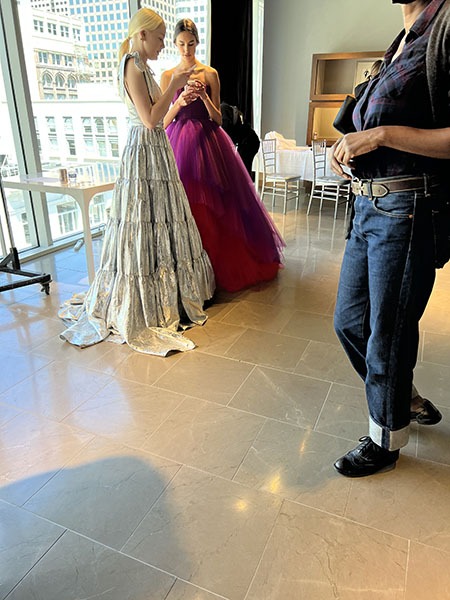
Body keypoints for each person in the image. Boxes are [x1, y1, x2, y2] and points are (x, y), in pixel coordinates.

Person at [330, 0, 449, 477]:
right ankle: (403, 396)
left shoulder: (444, 27)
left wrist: (380, 136)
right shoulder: (401, 41)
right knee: (350, 322)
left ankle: (386, 440)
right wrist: (348, 147)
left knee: (389, 334)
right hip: (367, 205)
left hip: (409, 207)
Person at [59, 8, 215, 356]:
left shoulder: (143, 67)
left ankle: (171, 293)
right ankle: (143, 300)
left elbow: (157, 117)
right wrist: (174, 85)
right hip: (144, 150)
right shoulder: (132, 64)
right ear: (143, 35)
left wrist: (176, 93)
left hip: (155, 148)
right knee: (143, 219)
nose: (164, 45)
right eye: (160, 38)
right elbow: (148, 119)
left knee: (162, 217)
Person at [160, 19, 284, 293]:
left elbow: (217, 119)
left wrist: (203, 97)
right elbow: (163, 120)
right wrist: (180, 102)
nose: (186, 49)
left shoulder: (210, 73)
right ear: (174, 44)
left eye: (190, 44)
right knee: (185, 205)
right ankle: (186, 272)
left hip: (208, 142)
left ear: (197, 43)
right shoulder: (168, 75)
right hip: (178, 142)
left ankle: (214, 269)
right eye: (181, 44)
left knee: (216, 205)